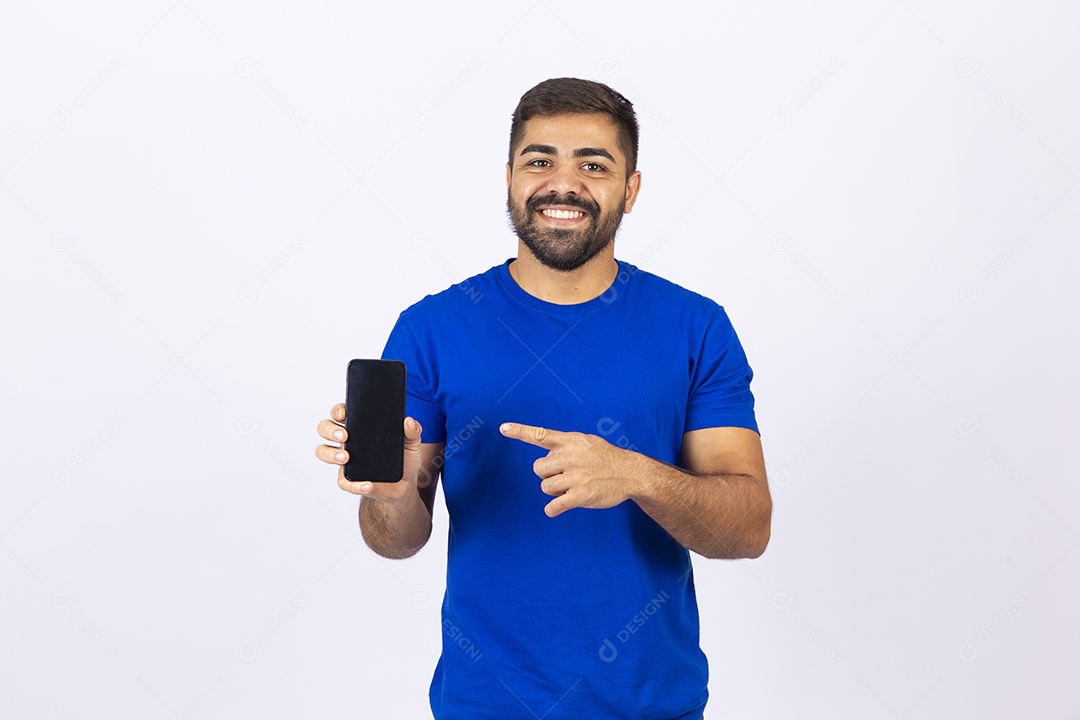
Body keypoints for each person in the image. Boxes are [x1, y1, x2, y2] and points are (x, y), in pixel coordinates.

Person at [315, 77, 771, 720]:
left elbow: (748, 527)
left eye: (594, 164)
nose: (564, 184)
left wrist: (633, 474)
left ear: (631, 189)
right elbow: (396, 539)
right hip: (482, 705)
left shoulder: (695, 328)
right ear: (509, 179)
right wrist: (392, 496)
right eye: (540, 161)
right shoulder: (433, 328)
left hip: (650, 705)